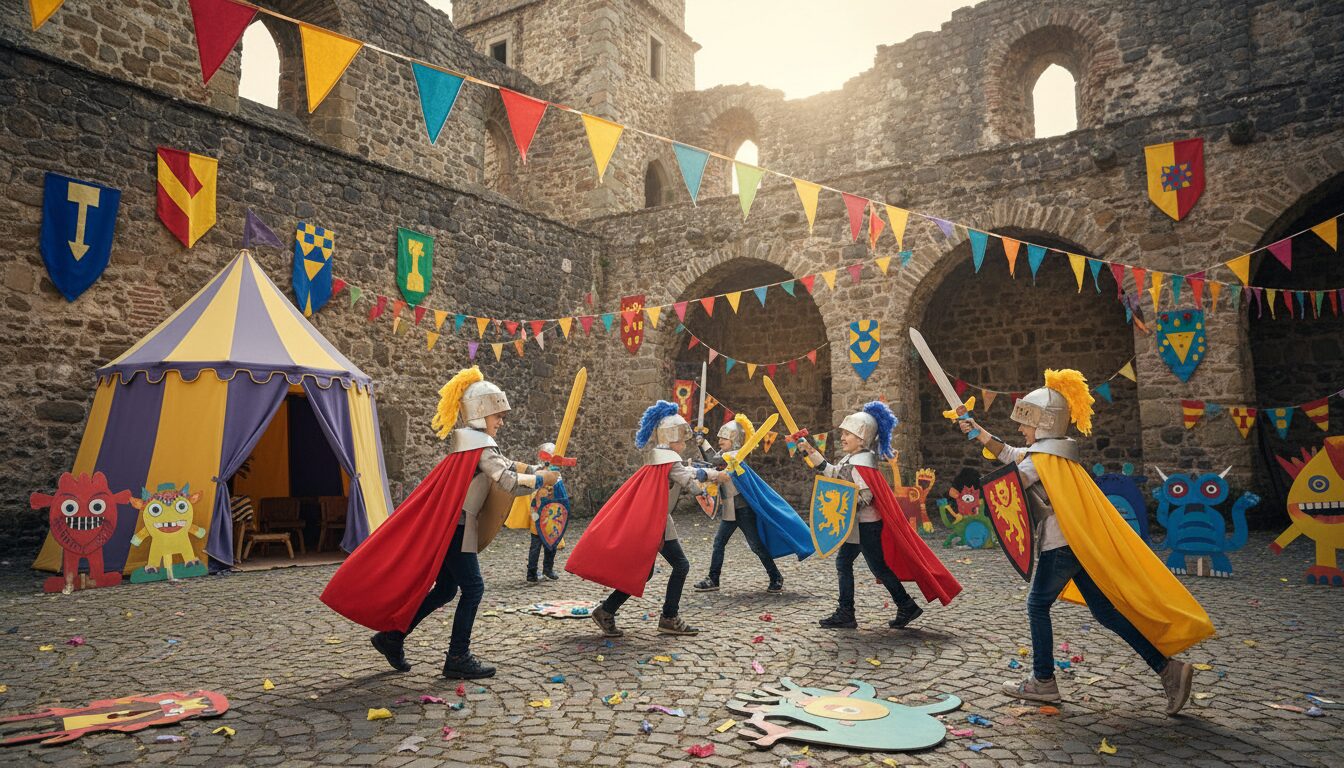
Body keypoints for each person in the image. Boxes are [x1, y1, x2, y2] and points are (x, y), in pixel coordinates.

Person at [958, 368, 1212, 715]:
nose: (1021, 428)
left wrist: (980, 438)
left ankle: (1044, 681)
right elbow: (1013, 454)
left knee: (1036, 606)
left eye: (1026, 422)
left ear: (1044, 423)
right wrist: (978, 432)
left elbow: (1010, 478)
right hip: (1075, 544)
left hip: (1059, 546)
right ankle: (1168, 669)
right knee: (1105, 611)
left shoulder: (1042, 460)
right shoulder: (1054, 457)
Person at [320, 367, 558, 679]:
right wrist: (541, 478)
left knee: (447, 589)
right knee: (473, 589)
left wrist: (539, 468)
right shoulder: (480, 445)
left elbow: (507, 466)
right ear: (480, 412)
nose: (500, 421)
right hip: (457, 529)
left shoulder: (473, 444)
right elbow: (508, 480)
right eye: (497, 415)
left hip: (458, 526)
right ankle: (457, 656)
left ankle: (392, 638)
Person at [794, 401, 961, 629]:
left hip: (866, 527)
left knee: (875, 567)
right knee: (851, 564)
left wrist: (843, 507)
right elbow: (833, 474)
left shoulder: (862, 464)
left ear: (861, 438)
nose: (842, 437)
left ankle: (890, 607)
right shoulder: (852, 460)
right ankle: (864, 610)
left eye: (847, 434)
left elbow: (865, 496)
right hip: (856, 526)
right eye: (842, 433)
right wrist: (810, 451)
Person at [566, 401, 726, 637]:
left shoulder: (659, 458)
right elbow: (689, 481)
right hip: (656, 523)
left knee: (644, 571)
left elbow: (684, 471)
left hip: (656, 520)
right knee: (680, 566)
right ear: (672, 438)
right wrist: (714, 476)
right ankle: (669, 618)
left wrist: (708, 474)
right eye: (682, 440)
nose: (683, 445)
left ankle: (607, 610)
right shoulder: (668, 460)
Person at [694, 415, 814, 593]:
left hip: (743, 510)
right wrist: (701, 442)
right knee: (719, 542)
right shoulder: (726, 456)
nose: (720, 440)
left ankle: (776, 577)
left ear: (734, 439)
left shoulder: (735, 457)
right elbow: (714, 460)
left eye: (724, 438)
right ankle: (713, 578)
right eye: (719, 438)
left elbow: (715, 461)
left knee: (756, 546)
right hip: (729, 510)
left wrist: (703, 443)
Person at [504, 441, 563, 583]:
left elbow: (560, 496)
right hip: (537, 515)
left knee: (551, 545)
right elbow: (531, 493)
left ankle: (548, 569)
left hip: (551, 516)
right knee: (535, 547)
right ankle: (531, 573)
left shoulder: (557, 475)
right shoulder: (536, 473)